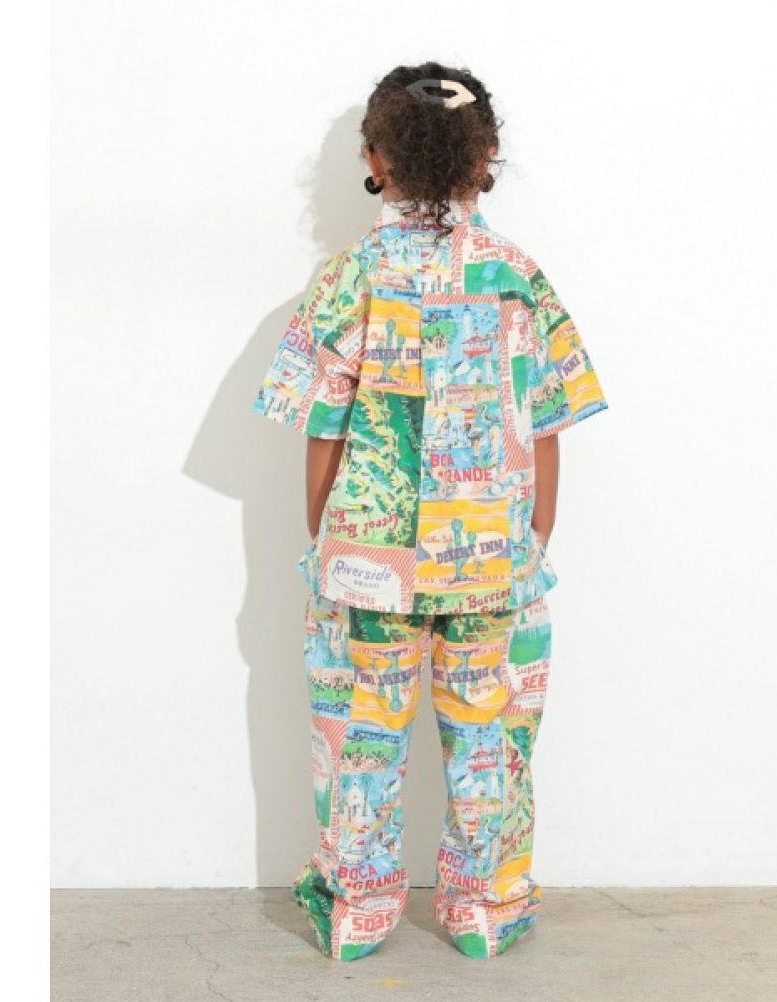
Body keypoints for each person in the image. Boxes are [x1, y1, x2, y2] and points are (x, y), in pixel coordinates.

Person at [252, 62, 608, 961]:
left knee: (359, 744)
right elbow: (547, 422)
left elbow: (323, 428)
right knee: (490, 743)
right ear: (485, 160)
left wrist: (325, 537)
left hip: (367, 561)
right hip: (491, 557)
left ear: (376, 160)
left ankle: (359, 915)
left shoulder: (349, 276)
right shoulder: (519, 278)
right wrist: (533, 536)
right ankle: (483, 913)